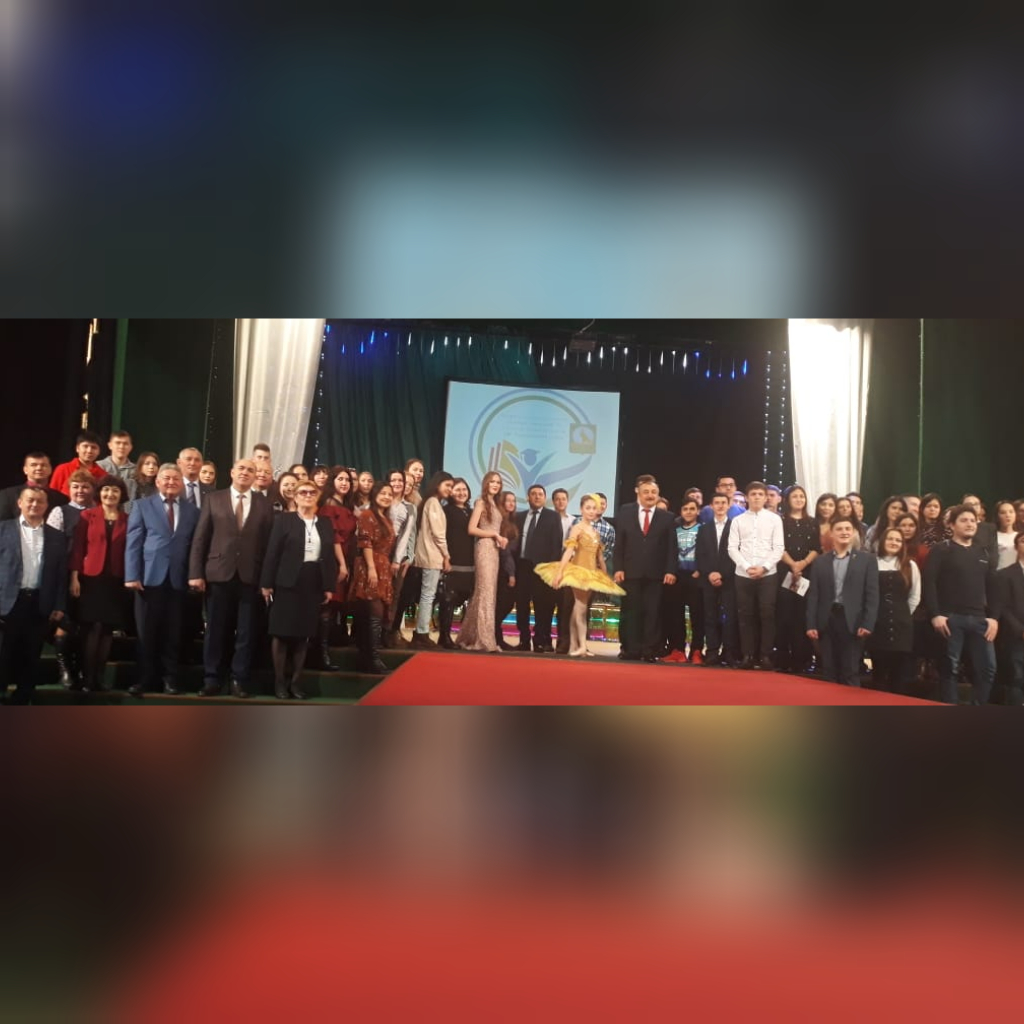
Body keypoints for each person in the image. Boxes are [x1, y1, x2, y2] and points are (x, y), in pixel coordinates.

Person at [188, 458, 275, 699]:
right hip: (218, 573)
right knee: (215, 629)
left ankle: (239, 679)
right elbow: (200, 539)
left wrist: (266, 580)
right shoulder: (213, 499)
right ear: (232, 472)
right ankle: (212, 678)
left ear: (255, 475)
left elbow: (268, 546)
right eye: (241, 469)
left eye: (250, 470)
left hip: (250, 577)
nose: (245, 473)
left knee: (246, 632)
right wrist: (195, 573)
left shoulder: (265, 504)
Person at [124, 464, 200, 697]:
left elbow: (195, 546)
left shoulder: (192, 510)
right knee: (146, 632)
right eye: (166, 478)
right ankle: (145, 679)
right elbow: (134, 542)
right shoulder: (142, 505)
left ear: (182, 483)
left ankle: (170, 680)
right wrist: (132, 575)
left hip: (178, 579)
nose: (171, 482)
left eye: (176, 479)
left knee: (173, 633)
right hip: (148, 578)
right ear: (157, 482)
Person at [260, 481, 338, 698]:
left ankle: (295, 683)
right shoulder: (284, 520)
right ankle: (279, 682)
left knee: (304, 635)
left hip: (312, 583)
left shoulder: (325, 523)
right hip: (286, 582)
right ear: (295, 497)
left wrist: (329, 586)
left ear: (318, 496)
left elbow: (328, 557)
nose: (308, 495)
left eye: (312, 492)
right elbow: (272, 553)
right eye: (303, 492)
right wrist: (266, 583)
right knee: (281, 633)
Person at [923, 504, 999, 705]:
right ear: (951, 525)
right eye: (964, 520)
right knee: (950, 668)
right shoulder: (941, 549)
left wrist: (993, 617)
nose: (970, 524)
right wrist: (935, 614)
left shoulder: (983, 552)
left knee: (988, 668)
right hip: (950, 619)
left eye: (973, 520)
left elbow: (992, 587)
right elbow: (929, 583)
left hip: (980, 620)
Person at [534, 494, 625, 657]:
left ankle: (574, 645)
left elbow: (600, 558)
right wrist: (560, 572)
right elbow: (569, 551)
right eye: (588, 508)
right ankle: (582, 645)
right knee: (580, 607)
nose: (591, 511)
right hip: (577, 572)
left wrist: (605, 577)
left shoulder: (595, 532)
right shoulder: (577, 528)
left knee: (579, 608)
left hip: (592, 573)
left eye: (594, 508)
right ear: (581, 509)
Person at [0, 487, 68, 704]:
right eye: (30, 500)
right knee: (3, 652)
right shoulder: (3, 529)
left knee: (31, 654)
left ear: (46, 506)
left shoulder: (56, 535)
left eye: (40, 501)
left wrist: (59, 604)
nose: (34, 505)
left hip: (39, 602)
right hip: (8, 602)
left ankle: (23, 698)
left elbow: (61, 574)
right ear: (20, 503)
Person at [69, 475, 130, 693]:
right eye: (106, 490)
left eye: (115, 490)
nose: (109, 494)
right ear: (99, 493)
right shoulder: (87, 516)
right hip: (90, 579)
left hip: (115, 580)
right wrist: (74, 577)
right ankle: (87, 678)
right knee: (91, 629)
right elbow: (78, 548)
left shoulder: (127, 519)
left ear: (121, 495)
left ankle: (99, 678)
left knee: (107, 630)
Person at [805, 516, 879, 687]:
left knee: (850, 670)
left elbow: (872, 595)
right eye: (839, 529)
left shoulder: (867, 560)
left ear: (853, 533)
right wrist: (811, 624)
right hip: (826, 620)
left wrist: (868, 623)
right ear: (831, 534)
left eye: (848, 529)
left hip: (853, 621)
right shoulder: (820, 562)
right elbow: (814, 595)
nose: (844, 532)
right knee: (828, 670)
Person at [614, 475, 677, 662]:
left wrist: (670, 570)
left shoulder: (667, 517)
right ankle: (630, 649)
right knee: (630, 612)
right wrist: (618, 568)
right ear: (639, 493)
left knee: (653, 613)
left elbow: (671, 547)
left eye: (653, 492)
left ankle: (649, 650)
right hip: (630, 572)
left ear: (658, 494)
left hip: (656, 574)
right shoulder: (625, 512)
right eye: (646, 492)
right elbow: (620, 543)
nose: (650, 495)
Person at [47, 469, 97, 687]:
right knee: (65, 623)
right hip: (65, 574)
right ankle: (64, 670)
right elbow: (52, 546)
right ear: (69, 488)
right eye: (76, 486)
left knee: (84, 624)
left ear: (92, 489)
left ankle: (79, 670)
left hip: (92, 577)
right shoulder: (60, 512)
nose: (80, 490)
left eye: (85, 486)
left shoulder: (99, 511)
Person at [728, 482, 785, 671]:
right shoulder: (737, 520)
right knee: (745, 615)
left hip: (768, 574)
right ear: (746, 497)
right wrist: (746, 567)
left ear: (766, 497)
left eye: (761, 494)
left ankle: (765, 655)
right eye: (753, 494)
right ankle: (748, 655)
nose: (757, 497)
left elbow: (778, 548)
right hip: (743, 574)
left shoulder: (775, 519)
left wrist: (764, 567)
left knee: (767, 614)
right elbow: (732, 548)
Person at [347, 483, 396, 675]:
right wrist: (371, 569)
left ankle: (368, 658)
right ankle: (372, 659)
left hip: (383, 566)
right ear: (375, 494)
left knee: (375, 612)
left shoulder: (387, 518)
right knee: (373, 611)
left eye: (389, 494)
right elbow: (365, 542)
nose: (386, 496)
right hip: (370, 565)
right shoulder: (368, 515)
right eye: (383, 493)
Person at [456, 472, 507, 653]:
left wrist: (500, 538)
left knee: (486, 593)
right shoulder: (481, 502)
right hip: (484, 548)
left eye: (498, 482)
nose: (495, 484)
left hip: (494, 550)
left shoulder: (496, 504)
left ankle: (470, 636)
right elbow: (471, 528)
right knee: (485, 592)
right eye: (492, 481)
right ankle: (485, 640)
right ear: (486, 483)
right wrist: (493, 534)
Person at [868, 527, 920, 694]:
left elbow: (915, 596)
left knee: (898, 676)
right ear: (883, 541)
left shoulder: (910, 565)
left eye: (898, 540)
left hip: (902, 626)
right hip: (877, 624)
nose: (894, 542)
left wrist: (902, 614)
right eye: (890, 539)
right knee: (878, 674)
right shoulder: (872, 563)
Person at [775, 485, 820, 674]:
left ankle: (802, 660)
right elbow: (778, 546)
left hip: (806, 574)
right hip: (784, 572)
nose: (799, 499)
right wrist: (793, 565)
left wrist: (802, 564)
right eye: (795, 496)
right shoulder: (780, 521)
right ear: (787, 500)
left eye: (802, 496)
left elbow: (816, 548)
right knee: (785, 615)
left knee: (803, 616)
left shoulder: (813, 522)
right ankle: (783, 658)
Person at [514, 485, 564, 653]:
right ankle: (524, 640)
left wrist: (551, 570)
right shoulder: (519, 517)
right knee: (522, 604)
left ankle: (539, 641)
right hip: (522, 566)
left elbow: (556, 545)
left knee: (542, 606)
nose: (537, 497)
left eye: (540, 494)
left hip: (542, 569)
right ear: (528, 497)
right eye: (533, 494)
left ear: (545, 498)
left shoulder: (552, 516)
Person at [411, 471, 454, 648]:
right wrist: (446, 556)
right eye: (448, 485)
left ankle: (421, 632)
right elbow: (438, 534)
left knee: (427, 595)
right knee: (428, 595)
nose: (450, 490)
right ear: (437, 484)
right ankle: (421, 633)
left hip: (429, 554)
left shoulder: (430, 502)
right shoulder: (433, 503)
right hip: (432, 555)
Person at [696, 492, 739, 666]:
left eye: (723, 502)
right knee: (710, 616)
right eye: (717, 502)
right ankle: (712, 651)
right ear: (711, 506)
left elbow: (736, 555)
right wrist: (710, 573)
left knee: (730, 617)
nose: (720, 506)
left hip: (729, 579)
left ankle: (729, 652)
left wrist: (723, 574)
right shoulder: (703, 529)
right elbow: (700, 555)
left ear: (729, 505)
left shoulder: (735, 527)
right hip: (708, 579)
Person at [661, 497, 704, 663]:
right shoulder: (675, 530)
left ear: (698, 511)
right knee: (675, 615)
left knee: (697, 616)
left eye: (692, 509)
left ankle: (696, 651)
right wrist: (671, 571)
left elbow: (707, 551)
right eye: (685, 509)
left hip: (696, 577)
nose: (688, 512)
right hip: (677, 576)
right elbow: (670, 552)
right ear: (681, 512)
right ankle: (678, 650)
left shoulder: (703, 529)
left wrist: (700, 569)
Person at [319, 467, 357, 647]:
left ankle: (333, 643)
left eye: (347, 480)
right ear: (332, 481)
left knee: (338, 605)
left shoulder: (347, 506)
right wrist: (341, 564)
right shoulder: (328, 506)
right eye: (340, 479)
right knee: (329, 602)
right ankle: (322, 649)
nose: (344, 483)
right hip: (333, 559)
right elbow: (334, 537)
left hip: (346, 557)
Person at [383, 468, 417, 649]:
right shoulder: (382, 500)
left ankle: (388, 632)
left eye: (400, 481)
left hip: (399, 553)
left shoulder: (410, 507)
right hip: (379, 551)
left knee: (395, 595)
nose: (397, 484)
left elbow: (407, 534)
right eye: (393, 480)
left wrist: (402, 558)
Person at [438, 478, 474, 649]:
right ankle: (444, 636)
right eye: (457, 490)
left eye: (464, 489)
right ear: (451, 493)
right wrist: (445, 558)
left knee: (465, 598)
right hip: (452, 562)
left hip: (470, 564)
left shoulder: (471, 511)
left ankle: (464, 636)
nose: (461, 493)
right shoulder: (446, 511)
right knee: (448, 600)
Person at [995, 532, 1024, 706]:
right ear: (1016, 546)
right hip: (1016, 637)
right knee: (1017, 679)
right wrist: (1020, 630)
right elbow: (1003, 607)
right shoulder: (1005, 575)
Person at [0, 452, 70, 521]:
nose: (39, 468)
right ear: (25, 470)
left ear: (50, 469)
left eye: (43, 465)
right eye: (33, 465)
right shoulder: (7, 495)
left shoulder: (61, 499)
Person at [493, 491, 520, 650]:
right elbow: (505, 552)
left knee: (507, 604)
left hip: (511, 567)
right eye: (508, 500)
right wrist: (511, 573)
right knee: (503, 604)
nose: (511, 503)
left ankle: (497, 637)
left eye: (513, 501)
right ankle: (497, 638)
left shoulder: (513, 522)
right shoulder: (501, 523)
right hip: (502, 569)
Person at [551, 488, 575, 654]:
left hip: (567, 568)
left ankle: (563, 641)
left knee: (565, 606)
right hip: (550, 565)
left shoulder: (574, 521)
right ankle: (544, 640)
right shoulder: (547, 518)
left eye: (563, 499)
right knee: (547, 604)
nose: (560, 502)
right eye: (557, 499)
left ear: (567, 501)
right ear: (553, 501)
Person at [50, 431, 106, 495]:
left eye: (94, 447)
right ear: (77, 448)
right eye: (85, 446)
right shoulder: (62, 469)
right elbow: (52, 495)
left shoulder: (103, 475)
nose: (89, 451)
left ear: (99, 451)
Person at [97, 430, 137, 497]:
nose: (121, 446)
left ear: (130, 447)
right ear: (110, 445)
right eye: (118, 443)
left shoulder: (136, 470)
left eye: (125, 444)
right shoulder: (99, 466)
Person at [994, 500, 1018, 570]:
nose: (1008, 515)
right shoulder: (993, 536)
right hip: (999, 573)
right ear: (997, 516)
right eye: (1003, 513)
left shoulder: (1020, 537)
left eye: (1011, 512)